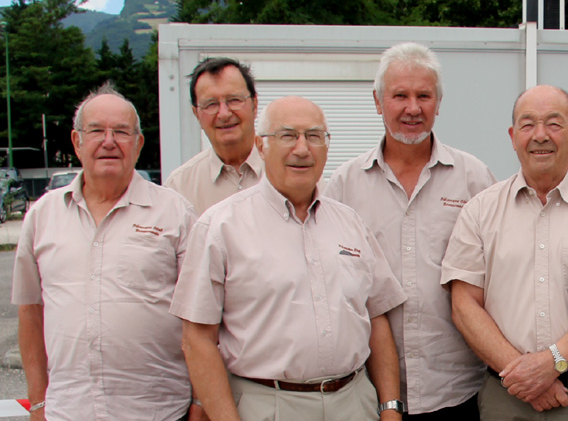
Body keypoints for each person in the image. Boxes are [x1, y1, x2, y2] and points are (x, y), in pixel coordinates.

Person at [171, 96, 408, 421]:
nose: (302, 149)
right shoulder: (220, 226)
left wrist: (390, 408)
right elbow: (197, 338)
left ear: (327, 146)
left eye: (314, 136)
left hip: (354, 403)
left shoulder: (351, 223)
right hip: (266, 405)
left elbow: (377, 317)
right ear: (261, 145)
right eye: (287, 135)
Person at [440, 85, 568, 420]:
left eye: (554, 123)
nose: (540, 136)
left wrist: (551, 363)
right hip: (507, 393)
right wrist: (525, 375)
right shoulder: (480, 211)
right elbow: (464, 306)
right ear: (512, 135)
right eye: (527, 124)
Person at [324, 42, 496, 420]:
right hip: (368, 392)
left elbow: (500, 276)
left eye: (424, 95)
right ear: (377, 100)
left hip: (458, 389)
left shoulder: (474, 179)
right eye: (399, 95)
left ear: (439, 102)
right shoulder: (344, 184)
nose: (413, 108)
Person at [12, 84, 202, 421]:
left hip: (159, 411)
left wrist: (200, 402)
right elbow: (30, 313)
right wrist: (38, 403)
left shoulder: (175, 213)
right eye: (97, 130)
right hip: (67, 411)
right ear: (77, 141)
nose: (109, 141)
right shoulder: (42, 215)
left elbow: (202, 318)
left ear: (138, 143)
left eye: (122, 132)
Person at [165, 57, 263, 213]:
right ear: (196, 113)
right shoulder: (180, 187)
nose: (224, 114)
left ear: (254, 104)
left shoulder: (290, 169)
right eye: (211, 104)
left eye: (234, 100)